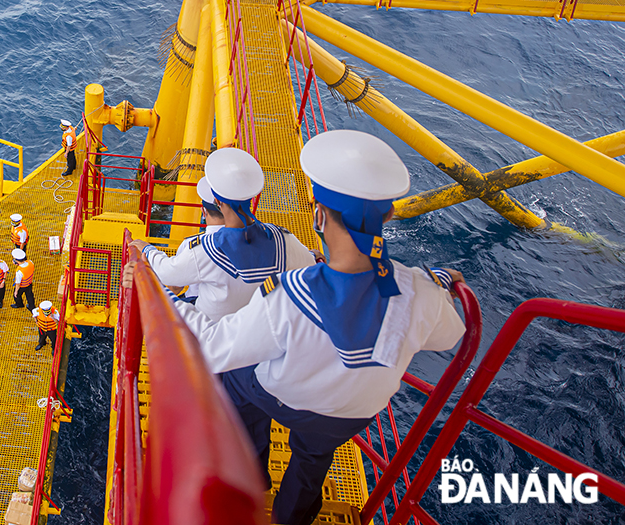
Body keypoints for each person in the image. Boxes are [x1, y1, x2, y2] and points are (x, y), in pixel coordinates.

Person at [125, 130, 466, 525]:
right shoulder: (419, 294)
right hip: (350, 416)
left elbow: (214, 345)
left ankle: (252, 474)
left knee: (235, 377)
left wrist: (166, 298)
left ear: (319, 214)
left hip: (285, 399)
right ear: (387, 215)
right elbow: (450, 334)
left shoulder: (287, 299)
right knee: (312, 459)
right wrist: (436, 281)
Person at [130, 148, 316, 321]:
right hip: (260, 326)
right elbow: (310, 264)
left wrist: (147, 249)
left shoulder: (205, 250)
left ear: (217, 201)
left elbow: (167, 274)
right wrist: (314, 255)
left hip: (211, 334)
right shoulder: (283, 239)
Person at [169, 176, 225, 303]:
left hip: (196, 308)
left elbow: (176, 286)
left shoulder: (191, 245)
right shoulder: (248, 241)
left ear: (203, 212)